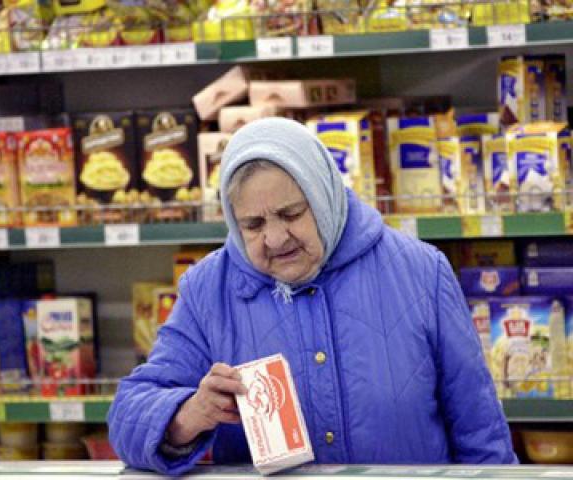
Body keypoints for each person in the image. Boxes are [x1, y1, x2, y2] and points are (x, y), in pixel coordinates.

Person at [108, 117, 517, 474]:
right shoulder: (207, 290)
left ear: (323, 195)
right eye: (252, 225)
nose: (274, 238)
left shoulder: (422, 272)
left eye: (291, 214)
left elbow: (480, 431)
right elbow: (128, 414)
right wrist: (187, 415)